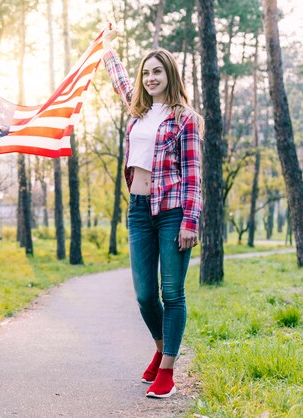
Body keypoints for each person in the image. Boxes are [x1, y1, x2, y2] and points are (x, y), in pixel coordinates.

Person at [101, 24, 203, 398]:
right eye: (146, 72)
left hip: (174, 210)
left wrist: (190, 221)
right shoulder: (137, 108)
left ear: (170, 74)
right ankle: (161, 349)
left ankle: (167, 371)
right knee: (145, 294)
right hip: (139, 209)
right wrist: (107, 46)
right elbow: (119, 79)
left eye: (157, 71)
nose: (150, 77)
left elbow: (193, 175)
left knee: (172, 292)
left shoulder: (185, 118)